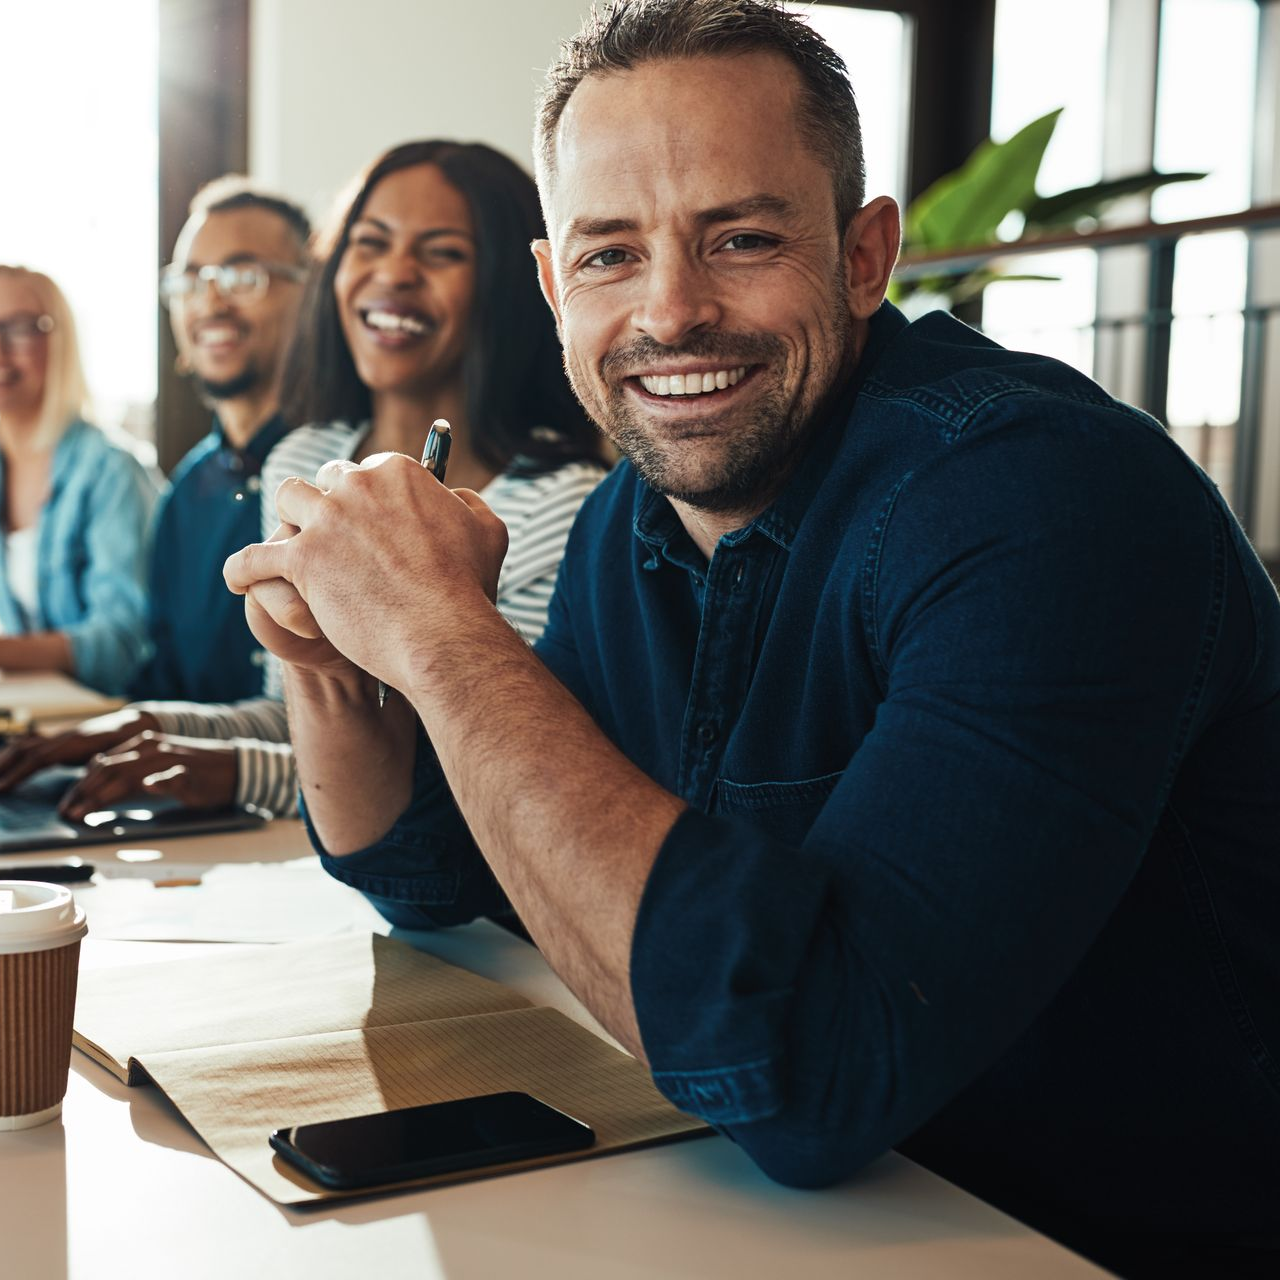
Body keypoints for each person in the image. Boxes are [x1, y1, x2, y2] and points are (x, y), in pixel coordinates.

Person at [226, 2, 1280, 1274]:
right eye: (611, 255)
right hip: (775, 1221)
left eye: (739, 238)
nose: (671, 312)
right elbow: (446, 877)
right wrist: (331, 650)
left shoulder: (1045, 498)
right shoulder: (637, 512)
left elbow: (810, 1066)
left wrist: (446, 636)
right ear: (555, 285)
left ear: (862, 254)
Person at [33, 139, 606, 822]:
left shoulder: (562, 503)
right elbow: (296, 715)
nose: (393, 273)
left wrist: (242, 773)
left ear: (514, 284)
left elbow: (501, 765)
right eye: (370, 243)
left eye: (442, 251)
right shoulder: (304, 458)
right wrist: (145, 725)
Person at [0, 179, 310, 804]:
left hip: (286, 815)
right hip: (192, 801)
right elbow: (162, 676)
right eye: (190, 281)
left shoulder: (333, 470)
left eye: (243, 275)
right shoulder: (190, 488)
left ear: (315, 295)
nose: (210, 301)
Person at [0, 266, 154, 695]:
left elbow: (120, 647)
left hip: (108, 732)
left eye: (20, 328)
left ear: (59, 340)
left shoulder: (112, 471)